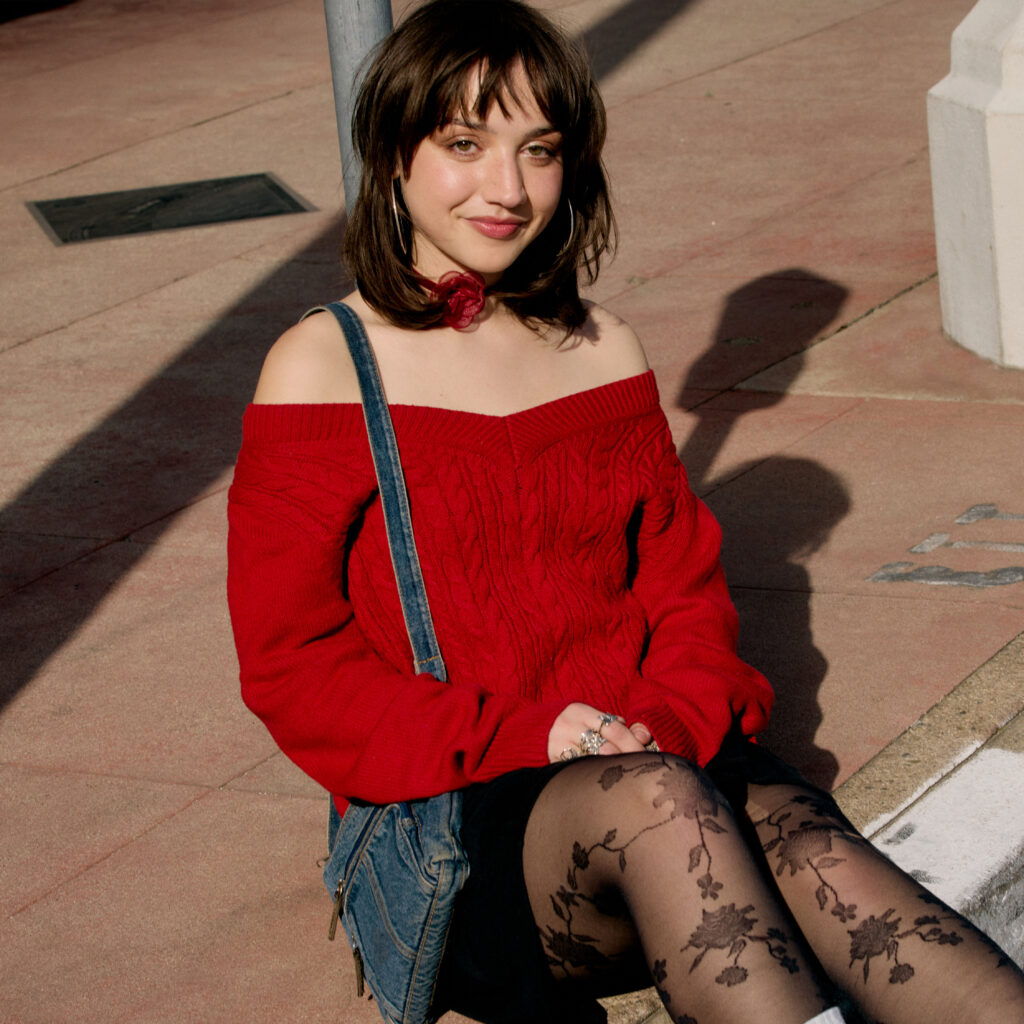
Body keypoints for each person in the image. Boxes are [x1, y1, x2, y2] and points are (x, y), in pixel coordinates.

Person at [226, 2, 1024, 1022]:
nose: (507, 188)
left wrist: (669, 721)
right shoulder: (325, 367)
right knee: (659, 805)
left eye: (539, 149)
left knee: (817, 850)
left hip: (653, 759)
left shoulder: (602, 349)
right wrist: (542, 731)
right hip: (454, 820)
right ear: (392, 151)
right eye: (464, 143)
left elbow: (683, 596)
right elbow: (294, 665)